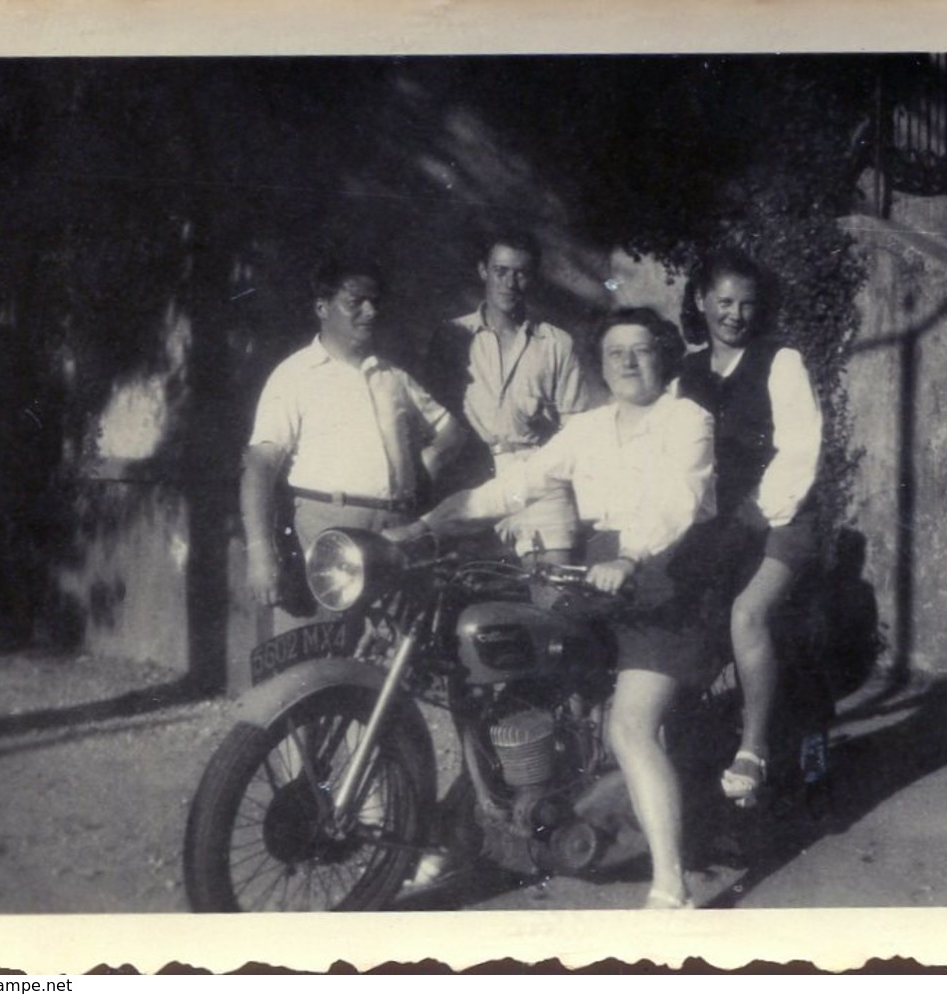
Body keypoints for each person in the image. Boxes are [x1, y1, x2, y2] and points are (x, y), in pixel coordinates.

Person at [386, 307, 715, 910]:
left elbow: (678, 502)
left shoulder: (686, 419)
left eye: (641, 350)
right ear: (601, 363)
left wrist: (631, 558)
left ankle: (672, 887)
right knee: (501, 687)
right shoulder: (589, 429)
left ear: (664, 356)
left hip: (669, 575)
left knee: (630, 726)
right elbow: (518, 484)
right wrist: (429, 525)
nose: (627, 362)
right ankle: (481, 828)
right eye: (615, 353)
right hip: (594, 568)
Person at [241, 258, 466, 630]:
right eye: (355, 302)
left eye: (375, 301)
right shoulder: (294, 376)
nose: (370, 311)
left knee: (392, 655)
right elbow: (260, 466)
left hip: (396, 531)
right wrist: (260, 553)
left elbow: (452, 431)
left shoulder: (392, 376)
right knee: (319, 653)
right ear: (321, 307)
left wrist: (424, 470)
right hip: (328, 529)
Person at [677, 247, 824, 809]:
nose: (735, 315)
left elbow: (799, 451)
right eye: (724, 302)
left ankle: (754, 748)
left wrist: (749, 517)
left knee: (747, 615)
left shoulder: (779, 361)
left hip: (781, 517)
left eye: (746, 304)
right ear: (700, 300)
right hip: (716, 521)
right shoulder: (686, 371)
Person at [442, 230, 595, 562]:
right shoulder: (452, 337)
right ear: (484, 270)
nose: (510, 283)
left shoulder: (556, 343)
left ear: (533, 278)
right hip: (472, 477)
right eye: (501, 271)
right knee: (458, 586)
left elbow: (578, 430)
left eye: (521, 273)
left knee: (553, 596)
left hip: (538, 477)